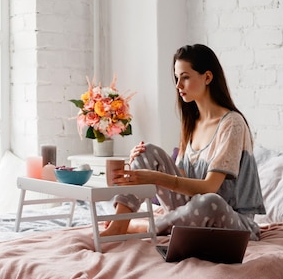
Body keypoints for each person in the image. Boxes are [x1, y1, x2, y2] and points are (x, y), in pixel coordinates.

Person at [100, 44, 265, 241]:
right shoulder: (192, 122)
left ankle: (140, 226)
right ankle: (120, 224)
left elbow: (209, 187)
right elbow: (183, 176)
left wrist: (155, 177)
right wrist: (143, 161)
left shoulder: (232, 123)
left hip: (231, 221)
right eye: (177, 78)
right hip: (190, 211)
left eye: (185, 77)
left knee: (210, 201)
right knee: (148, 150)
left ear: (207, 77)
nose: (178, 86)